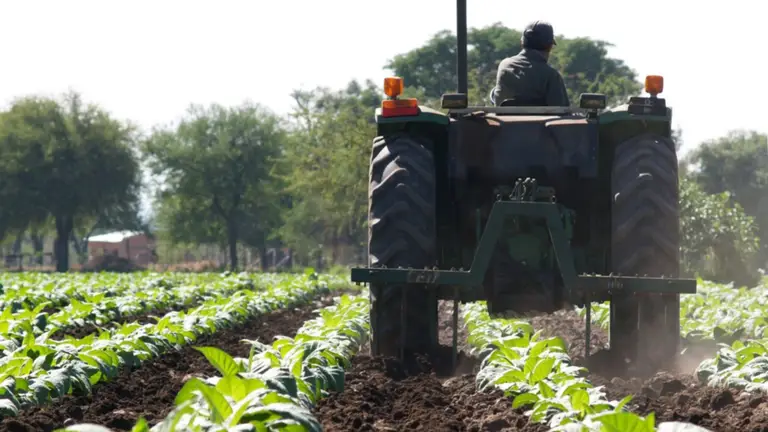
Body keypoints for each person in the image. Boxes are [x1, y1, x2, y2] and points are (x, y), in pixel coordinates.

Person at [490, 21, 570, 107]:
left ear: (522, 43)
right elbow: (562, 109)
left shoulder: (504, 65)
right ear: (549, 46)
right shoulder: (552, 75)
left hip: (503, 115)